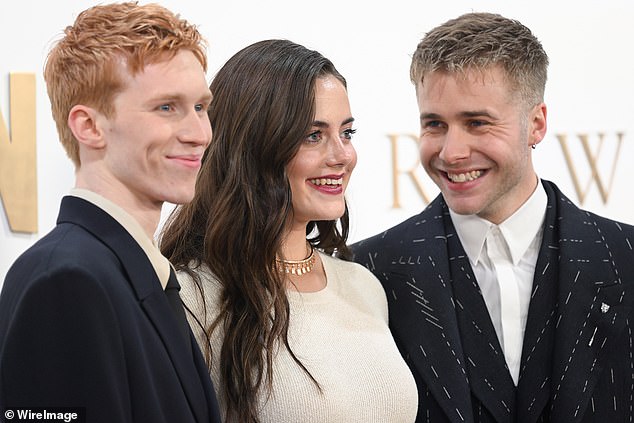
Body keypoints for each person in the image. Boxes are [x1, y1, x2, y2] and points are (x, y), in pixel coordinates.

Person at [352, 12, 634, 423]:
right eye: (435, 124)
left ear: (536, 123)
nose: (451, 152)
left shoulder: (626, 259)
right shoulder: (366, 274)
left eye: (476, 123)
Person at [160, 39, 418, 423]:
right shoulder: (192, 301)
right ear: (255, 147)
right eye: (313, 135)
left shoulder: (364, 286)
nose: (342, 155)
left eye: (347, 132)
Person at [0, 3, 221, 422]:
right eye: (166, 107)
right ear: (89, 127)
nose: (199, 134)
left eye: (200, 107)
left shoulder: (136, 272)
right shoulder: (66, 281)